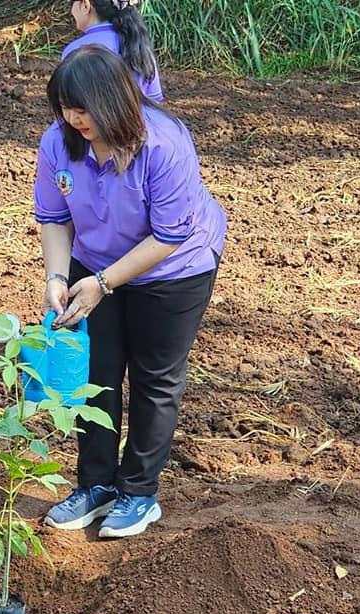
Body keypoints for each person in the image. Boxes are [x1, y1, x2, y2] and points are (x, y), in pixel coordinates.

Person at [35, 46, 226, 538]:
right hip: (94, 262)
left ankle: (139, 491)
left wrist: (103, 284)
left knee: (153, 378)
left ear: (114, 102)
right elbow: (54, 217)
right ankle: (95, 485)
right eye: (65, 109)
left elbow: (168, 235)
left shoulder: (163, 145)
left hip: (173, 270)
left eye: (83, 110)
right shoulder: (59, 142)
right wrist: (57, 277)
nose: (73, 119)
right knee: (93, 372)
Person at [63, 0, 163, 102]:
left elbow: (70, 108)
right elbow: (154, 101)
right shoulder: (139, 44)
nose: (71, 11)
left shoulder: (75, 50)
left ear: (85, 5)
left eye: (71, 3)